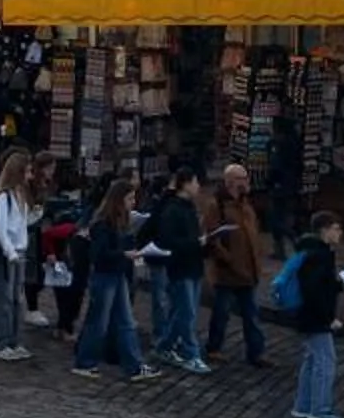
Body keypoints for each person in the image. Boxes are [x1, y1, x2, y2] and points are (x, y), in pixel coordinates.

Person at [73, 178, 159, 381]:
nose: (133, 203)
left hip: (117, 274)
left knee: (125, 321)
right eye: (130, 198)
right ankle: (85, 362)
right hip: (105, 276)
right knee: (99, 322)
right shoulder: (103, 224)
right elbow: (99, 254)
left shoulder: (121, 222)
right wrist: (125, 255)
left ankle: (134, 365)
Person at [203, 160, 271, 365]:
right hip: (227, 271)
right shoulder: (216, 205)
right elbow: (211, 237)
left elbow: (253, 232)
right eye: (242, 178)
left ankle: (256, 352)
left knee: (252, 315)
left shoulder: (245, 204)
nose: (247, 182)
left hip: (248, 269)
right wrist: (228, 259)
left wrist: (257, 258)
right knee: (221, 313)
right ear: (231, 181)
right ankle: (213, 348)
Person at [283, 213, 344, 418]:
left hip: (307, 315)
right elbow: (314, 291)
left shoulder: (311, 252)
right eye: (336, 228)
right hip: (315, 317)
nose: (340, 233)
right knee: (325, 362)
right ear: (325, 230)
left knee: (312, 360)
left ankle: (303, 405)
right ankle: (320, 408)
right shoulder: (319, 255)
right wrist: (328, 318)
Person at [146, 167, 209, 372]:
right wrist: (195, 243)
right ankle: (192, 354)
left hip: (194, 265)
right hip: (180, 267)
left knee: (181, 312)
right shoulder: (172, 209)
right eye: (196, 182)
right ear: (186, 183)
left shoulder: (189, 207)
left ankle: (164, 345)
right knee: (187, 313)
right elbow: (168, 240)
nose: (198, 187)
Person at [0, 148, 37, 361]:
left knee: (17, 299)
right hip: (8, 254)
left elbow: (20, 225)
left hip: (20, 250)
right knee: (4, 299)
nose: (30, 176)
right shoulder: (4, 197)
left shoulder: (21, 195)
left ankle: (13, 340)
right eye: (27, 172)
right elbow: (1, 228)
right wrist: (10, 251)